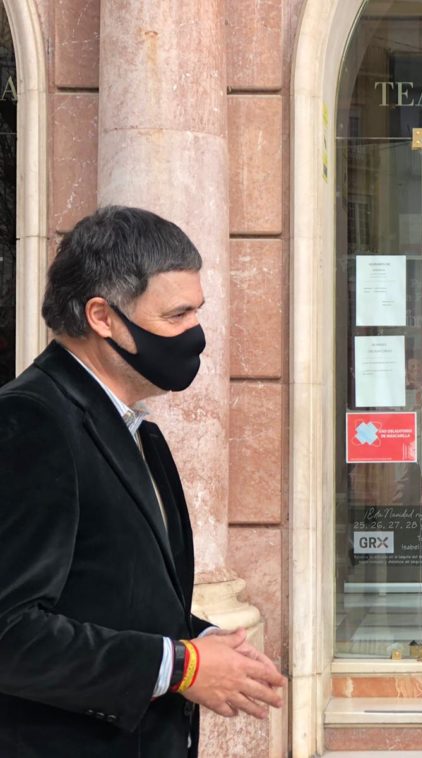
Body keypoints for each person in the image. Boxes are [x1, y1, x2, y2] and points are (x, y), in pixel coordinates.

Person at [0, 206, 285, 757]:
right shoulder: (30, 421)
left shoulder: (137, 430)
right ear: (102, 317)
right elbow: (9, 632)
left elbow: (110, 596)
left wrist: (200, 640)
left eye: (197, 312)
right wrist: (182, 666)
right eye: (176, 316)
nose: (195, 335)